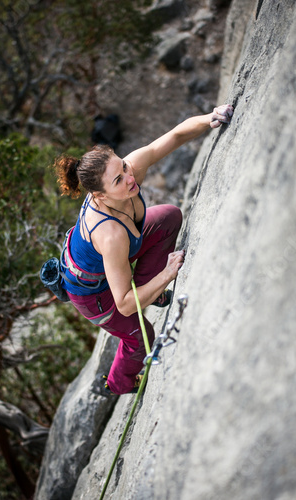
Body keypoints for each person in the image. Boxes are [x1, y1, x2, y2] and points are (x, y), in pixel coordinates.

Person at [54, 104, 234, 395]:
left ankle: (151, 292)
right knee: (140, 335)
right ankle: (118, 383)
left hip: (116, 257)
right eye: (118, 180)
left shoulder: (130, 171)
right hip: (93, 294)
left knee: (168, 217)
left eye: (123, 167)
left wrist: (209, 118)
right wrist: (166, 274)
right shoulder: (109, 234)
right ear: (98, 195)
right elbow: (125, 303)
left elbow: (174, 136)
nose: (129, 178)